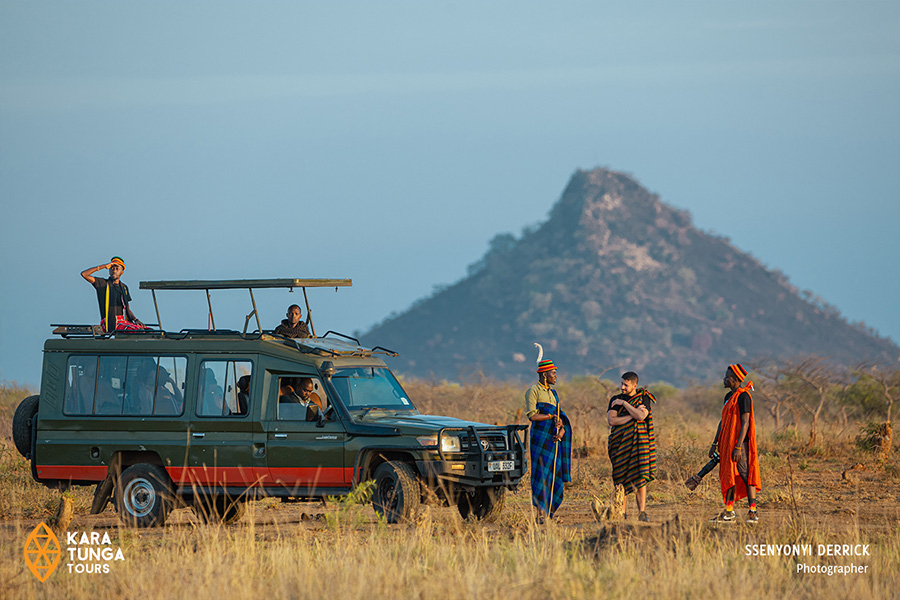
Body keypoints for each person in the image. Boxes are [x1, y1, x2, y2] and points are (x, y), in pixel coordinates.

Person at [524, 345, 572, 521]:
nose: (556, 376)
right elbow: (532, 416)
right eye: (553, 373)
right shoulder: (533, 391)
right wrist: (549, 416)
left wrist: (561, 428)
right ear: (544, 374)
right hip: (540, 439)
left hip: (553, 440)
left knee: (554, 473)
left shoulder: (554, 394)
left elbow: (558, 416)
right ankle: (539, 514)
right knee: (541, 473)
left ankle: (549, 513)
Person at [709, 363, 761, 523]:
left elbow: (745, 422)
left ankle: (753, 511)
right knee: (728, 475)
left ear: (736, 379)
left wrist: (738, 446)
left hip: (740, 444)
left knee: (745, 475)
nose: (724, 379)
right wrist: (714, 443)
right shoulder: (727, 397)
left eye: (727, 377)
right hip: (726, 443)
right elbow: (723, 421)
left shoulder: (744, 396)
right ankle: (729, 511)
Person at [606, 371, 657, 522]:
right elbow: (612, 421)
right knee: (621, 477)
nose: (622, 387)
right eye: (621, 384)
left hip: (640, 445)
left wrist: (625, 405)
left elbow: (642, 416)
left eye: (625, 385)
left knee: (640, 475)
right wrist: (632, 416)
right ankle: (622, 512)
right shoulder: (615, 399)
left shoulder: (644, 398)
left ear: (635, 385)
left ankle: (642, 512)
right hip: (619, 444)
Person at [81, 257, 147, 333]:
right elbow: (84, 274)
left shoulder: (123, 287)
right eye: (112, 268)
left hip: (122, 321)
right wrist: (104, 266)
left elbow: (127, 308)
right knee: (139, 331)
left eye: (117, 268)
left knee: (149, 331)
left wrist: (136, 320)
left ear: (122, 272)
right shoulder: (103, 284)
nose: (114, 271)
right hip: (109, 322)